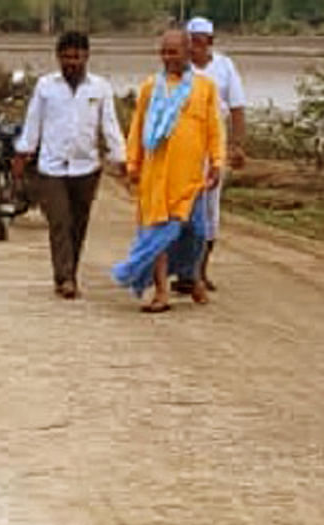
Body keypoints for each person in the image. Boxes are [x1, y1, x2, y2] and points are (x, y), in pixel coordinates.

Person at [111, 28, 225, 312]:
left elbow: (214, 130)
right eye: (163, 52)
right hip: (156, 177)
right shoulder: (151, 87)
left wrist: (217, 163)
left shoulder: (205, 88)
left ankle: (194, 277)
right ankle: (161, 292)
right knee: (158, 236)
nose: (167, 57)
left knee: (196, 234)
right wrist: (132, 164)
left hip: (189, 181)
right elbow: (137, 128)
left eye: (173, 52)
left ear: (189, 52)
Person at [12, 31, 128, 300]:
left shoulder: (100, 88)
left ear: (86, 56)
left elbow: (109, 126)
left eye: (76, 57)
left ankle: (70, 273)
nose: (71, 62)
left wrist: (120, 158)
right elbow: (33, 123)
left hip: (86, 167)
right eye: (66, 57)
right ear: (58, 57)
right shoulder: (45, 86)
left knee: (78, 223)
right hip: (51, 167)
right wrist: (22, 154)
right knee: (59, 221)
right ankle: (64, 276)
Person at [171, 17, 247, 294]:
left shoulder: (224, 67)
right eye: (190, 42)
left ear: (210, 42)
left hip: (214, 147)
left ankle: (199, 270)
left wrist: (237, 145)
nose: (194, 48)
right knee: (182, 208)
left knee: (209, 211)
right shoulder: (179, 68)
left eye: (200, 42)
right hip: (184, 146)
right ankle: (183, 270)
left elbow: (237, 108)